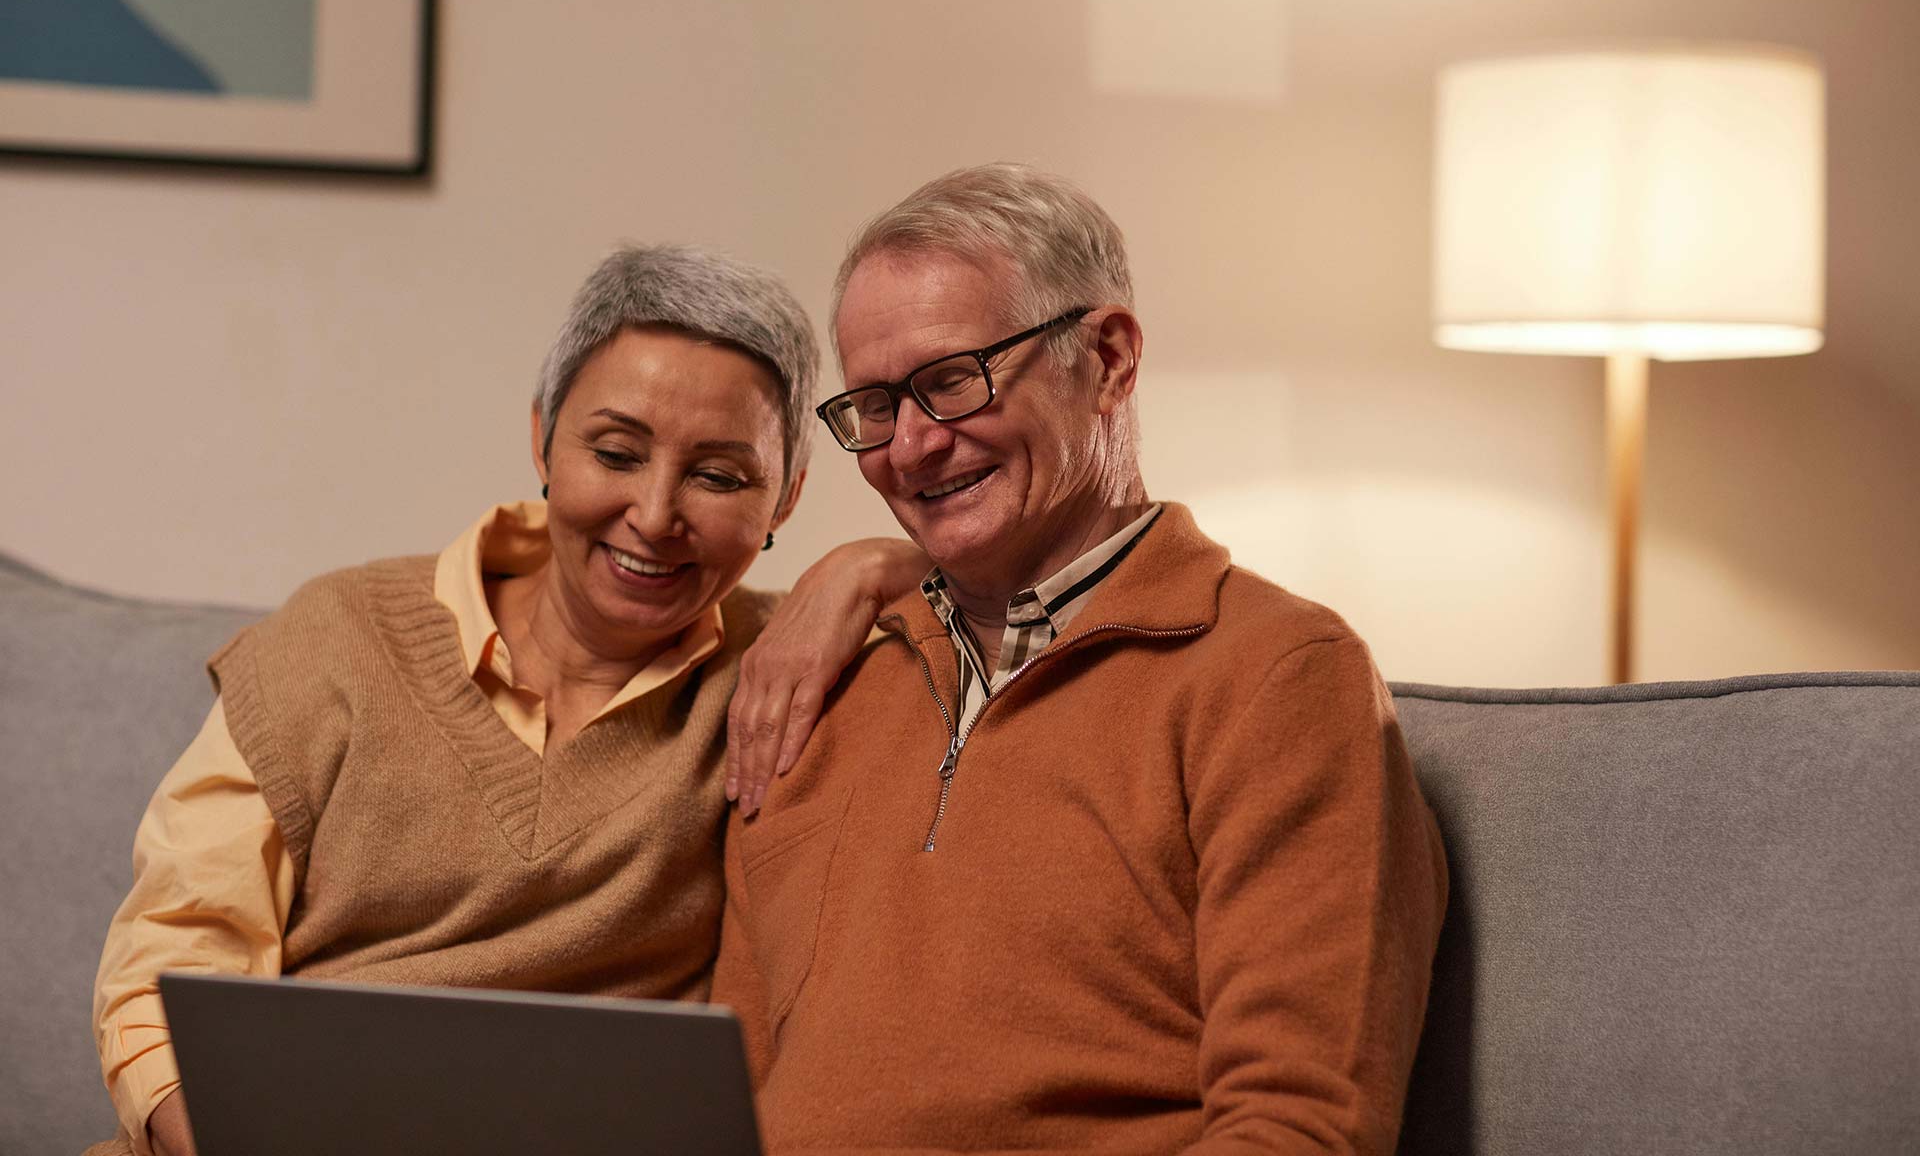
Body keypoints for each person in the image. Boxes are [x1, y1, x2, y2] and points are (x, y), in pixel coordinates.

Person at [87, 244, 926, 1156]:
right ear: (542, 440)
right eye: (615, 452)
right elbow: (170, 960)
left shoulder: (786, 676)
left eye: (720, 476)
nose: (653, 513)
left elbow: (1057, 572)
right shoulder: (336, 635)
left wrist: (874, 564)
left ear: (788, 498)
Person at [710, 164, 1450, 1154]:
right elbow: (719, 1102)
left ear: (1106, 359)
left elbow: (1300, 1126)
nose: (913, 446)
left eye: (951, 380)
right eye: (878, 405)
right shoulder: (813, 683)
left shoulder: (1278, 675)